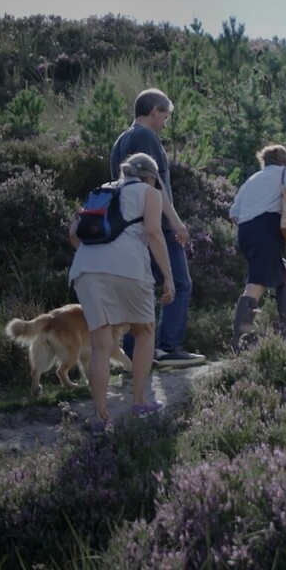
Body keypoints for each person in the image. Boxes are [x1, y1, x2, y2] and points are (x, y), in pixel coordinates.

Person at [68, 153, 173, 424]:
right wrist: (168, 277)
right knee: (145, 330)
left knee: (101, 345)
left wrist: (97, 259)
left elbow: (73, 233)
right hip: (129, 268)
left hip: (86, 269)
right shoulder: (150, 192)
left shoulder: (101, 191)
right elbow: (153, 232)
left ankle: (100, 415)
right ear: (150, 176)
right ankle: (139, 401)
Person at [109, 88, 204, 369]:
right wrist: (176, 223)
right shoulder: (145, 137)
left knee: (142, 288)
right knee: (179, 284)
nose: (164, 123)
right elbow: (155, 184)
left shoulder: (120, 140)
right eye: (164, 116)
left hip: (129, 227)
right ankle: (168, 347)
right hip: (156, 224)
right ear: (154, 111)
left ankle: (135, 355)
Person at [230, 144, 286, 343]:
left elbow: (234, 214)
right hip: (267, 230)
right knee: (256, 285)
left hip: (246, 231)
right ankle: (240, 339)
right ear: (285, 160)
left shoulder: (251, 180)